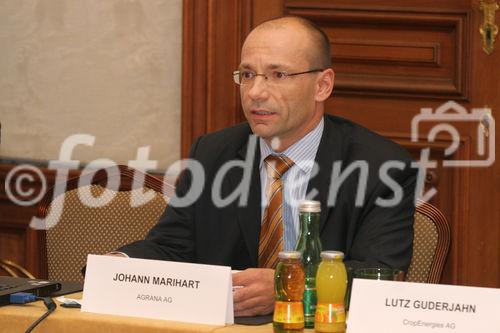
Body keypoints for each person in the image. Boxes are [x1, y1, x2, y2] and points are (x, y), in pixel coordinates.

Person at [115, 16, 417, 317]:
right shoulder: (213, 154)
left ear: (322, 85)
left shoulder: (381, 166)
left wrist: (292, 285)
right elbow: (172, 248)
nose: (255, 92)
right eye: (247, 75)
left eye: (278, 75)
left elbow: (380, 275)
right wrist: (120, 264)